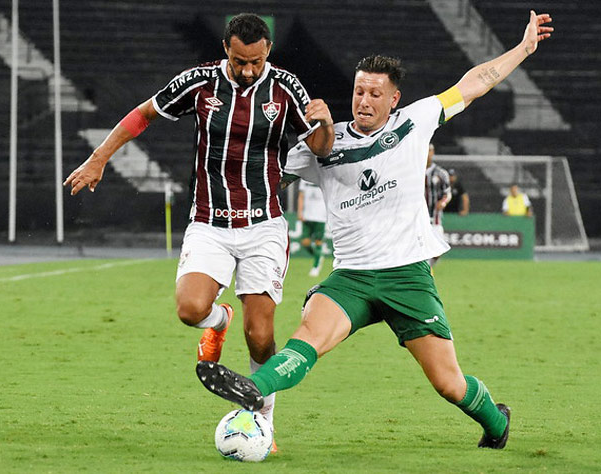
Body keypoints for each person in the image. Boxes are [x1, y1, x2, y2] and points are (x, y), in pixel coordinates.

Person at [196, 11, 554, 450]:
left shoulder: (416, 120)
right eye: (358, 91)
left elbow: (477, 81)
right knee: (306, 339)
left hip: (407, 276)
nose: (364, 101)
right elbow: (263, 177)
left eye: (374, 94)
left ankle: (496, 423)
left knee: (448, 383)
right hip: (352, 278)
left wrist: (522, 48)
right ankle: (255, 390)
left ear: (394, 98)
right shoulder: (324, 142)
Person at [63, 13, 334, 447]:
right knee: (189, 309)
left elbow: (320, 150)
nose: (248, 70)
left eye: (257, 62)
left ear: (268, 53)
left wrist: (324, 123)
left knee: (261, 335)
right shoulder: (200, 83)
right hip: (209, 221)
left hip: (263, 225)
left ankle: (263, 421)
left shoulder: (286, 87)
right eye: (240, 60)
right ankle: (218, 319)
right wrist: (99, 158)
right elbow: (143, 114)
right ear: (226, 48)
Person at [425, 143, 451, 267]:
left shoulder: (441, 173)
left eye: (429, 151)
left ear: (432, 153)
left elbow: (447, 193)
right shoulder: (413, 171)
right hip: (416, 219)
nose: (426, 154)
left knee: (438, 250)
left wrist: (443, 202)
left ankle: (428, 267)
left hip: (434, 219)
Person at [297, 179, 328, 277]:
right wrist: (300, 211)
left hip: (320, 216)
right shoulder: (304, 179)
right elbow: (301, 196)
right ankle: (318, 256)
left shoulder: (323, 176)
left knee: (318, 241)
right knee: (305, 242)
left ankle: (315, 267)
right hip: (307, 216)